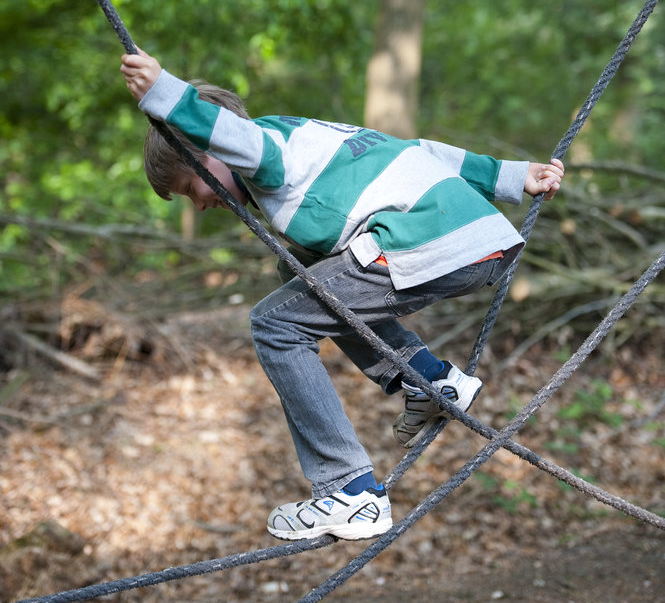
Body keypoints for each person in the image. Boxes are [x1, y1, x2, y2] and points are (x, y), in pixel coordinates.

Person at [121, 48, 564, 543]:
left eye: (190, 187)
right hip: (479, 237)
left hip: (430, 237)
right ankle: (428, 379)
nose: (200, 205)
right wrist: (509, 175)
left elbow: (227, 133)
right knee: (302, 271)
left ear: (213, 149)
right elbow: (413, 149)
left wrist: (163, 91)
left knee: (275, 324)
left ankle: (347, 489)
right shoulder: (314, 137)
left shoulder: (266, 152)